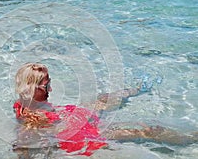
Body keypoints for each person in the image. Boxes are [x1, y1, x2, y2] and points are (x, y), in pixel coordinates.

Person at [12, 62, 197, 158]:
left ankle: (138, 89)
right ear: (30, 88)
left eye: (50, 83)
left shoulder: (25, 103)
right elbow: (23, 147)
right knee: (148, 130)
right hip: (86, 136)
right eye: (46, 86)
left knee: (103, 99)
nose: (51, 89)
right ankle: (191, 138)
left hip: (75, 117)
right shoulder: (29, 122)